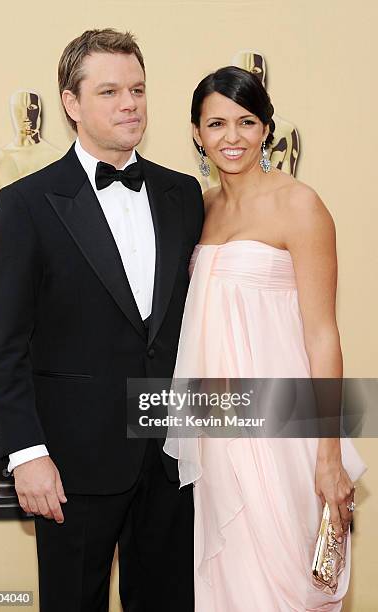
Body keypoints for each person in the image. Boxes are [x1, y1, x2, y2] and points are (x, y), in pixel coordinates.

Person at [0, 28, 203, 612]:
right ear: (71, 104)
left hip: (172, 457)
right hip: (70, 464)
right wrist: (26, 454)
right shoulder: (27, 203)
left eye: (137, 89)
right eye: (109, 92)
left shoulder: (184, 194)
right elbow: (4, 344)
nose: (129, 103)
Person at [164, 66, 366, 611]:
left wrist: (329, 455)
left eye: (247, 122)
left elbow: (324, 335)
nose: (232, 137)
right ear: (196, 133)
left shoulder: (300, 205)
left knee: (285, 585)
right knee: (228, 583)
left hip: (284, 430)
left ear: (266, 129)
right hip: (217, 430)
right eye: (216, 123)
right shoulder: (200, 209)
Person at [0, 90, 62, 208]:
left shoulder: (57, 158)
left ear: (39, 111)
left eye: (31, 108)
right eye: (18, 110)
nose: (26, 116)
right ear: (12, 112)